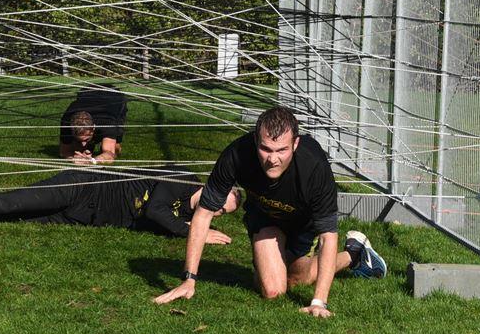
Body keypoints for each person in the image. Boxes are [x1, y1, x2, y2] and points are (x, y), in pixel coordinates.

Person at [153, 106, 387, 318]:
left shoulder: (314, 166)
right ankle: (278, 260)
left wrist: (319, 302)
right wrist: (189, 280)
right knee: (273, 291)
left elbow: (328, 236)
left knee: (297, 278)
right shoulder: (236, 154)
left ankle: (354, 254)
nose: (273, 159)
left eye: (281, 150)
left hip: (303, 224)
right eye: (265, 149)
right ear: (256, 140)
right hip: (264, 217)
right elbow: (203, 214)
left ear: (295, 144)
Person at [0, 164, 238, 241]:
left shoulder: (189, 212)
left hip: (84, 218)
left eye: (223, 212)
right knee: (4, 206)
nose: (217, 211)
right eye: (220, 203)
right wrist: (193, 232)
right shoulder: (181, 178)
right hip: (81, 188)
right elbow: (155, 210)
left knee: (3, 221)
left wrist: (190, 226)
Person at [60, 87, 127, 164]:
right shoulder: (66, 122)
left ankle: (96, 144)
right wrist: (73, 158)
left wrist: (93, 160)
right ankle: (89, 146)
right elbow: (64, 152)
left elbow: (110, 154)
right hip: (87, 92)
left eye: (86, 140)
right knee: (79, 149)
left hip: (114, 98)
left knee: (115, 149)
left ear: (94, 127)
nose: (83, 144)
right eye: (79, 140)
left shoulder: (107, 124)